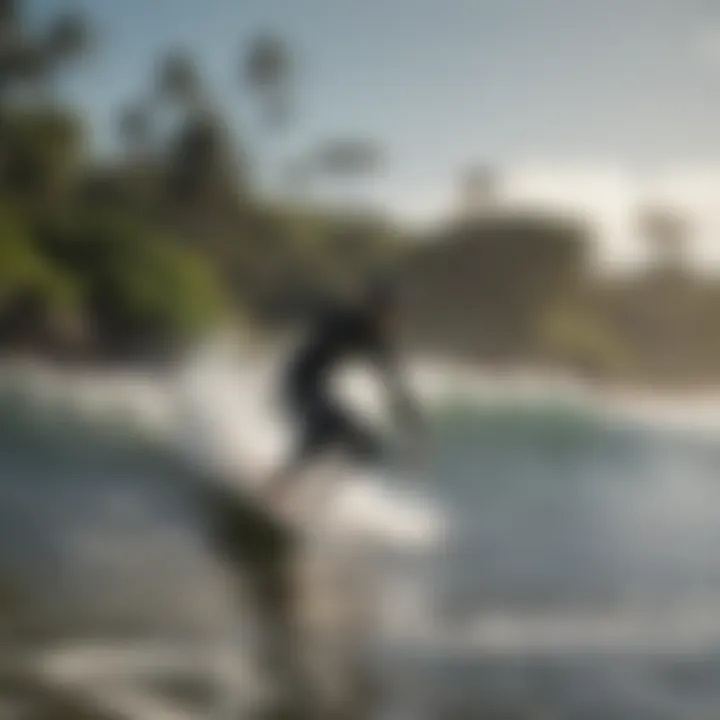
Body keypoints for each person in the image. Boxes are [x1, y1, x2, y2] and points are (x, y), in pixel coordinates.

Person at [265, 277, 423, 504]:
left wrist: (413, 431)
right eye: (380, 306)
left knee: (366, 446)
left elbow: (394, 387)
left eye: (388, 310)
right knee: (325, 429)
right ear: (370, 303)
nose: (384, 314)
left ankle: (311, 503)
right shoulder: (343, 320)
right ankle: (274, 489)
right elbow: (304, 309)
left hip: (316, 389)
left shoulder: (374, 340)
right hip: (297, 381)